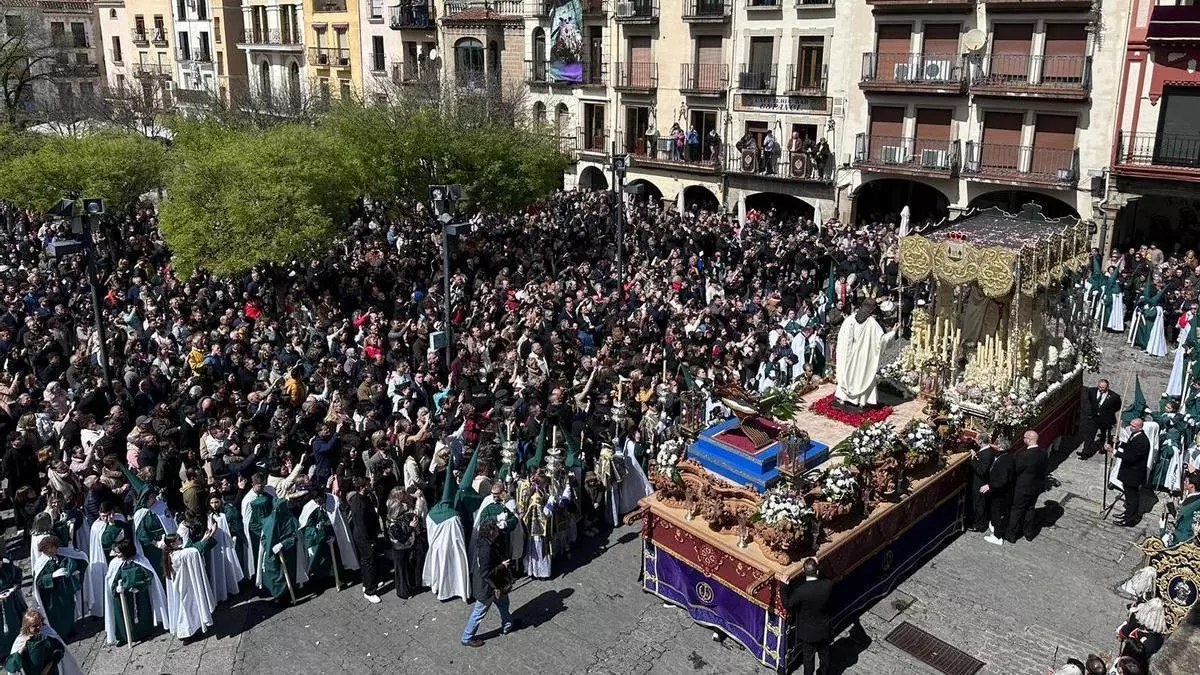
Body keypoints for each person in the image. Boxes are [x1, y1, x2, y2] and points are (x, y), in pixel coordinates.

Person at [460, 521, 515, 648]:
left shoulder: (485, 542)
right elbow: (486, 573)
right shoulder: (486, 549)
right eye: (494, 529)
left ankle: (507, 625)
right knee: (479, 612)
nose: (497, 531)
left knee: (503, 603)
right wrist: (502, 566)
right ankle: (466, 637)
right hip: (487, 587)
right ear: (489, 532)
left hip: (495, 584)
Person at [102, 540, 166, 646]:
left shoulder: (140, 561)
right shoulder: (115, 563)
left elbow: (149, 576)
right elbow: (110, 580)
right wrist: (117, 588)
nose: (116, 555)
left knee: (142, 615)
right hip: (122, 597)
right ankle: (124, 636)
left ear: (126, 551)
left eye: (119, 552)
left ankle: (143, 633)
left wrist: (141, 586)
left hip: (139, 595)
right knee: (122, 617)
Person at [834, 298, 895, 408]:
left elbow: (842, 337)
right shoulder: (872, 324)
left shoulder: (850, 319)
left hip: (848, 356)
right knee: (862, 375)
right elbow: (881, 342)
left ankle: (843, 398)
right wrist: (892, 333)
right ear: (872, 310)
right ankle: (861, 401)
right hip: (863, 357)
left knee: (847, 374)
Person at [424, 470, 470, 602]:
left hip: (436, 548)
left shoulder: (431, 513)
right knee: (451, 572)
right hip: (450, 548)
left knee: (439, 571)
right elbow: (458, 537)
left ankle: (438, 588)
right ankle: (452, 591)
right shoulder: (454, 517)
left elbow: (430, 533)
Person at [162, 532, 216, 640]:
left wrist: (205, 537)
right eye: (179, 539)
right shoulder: (179, 555)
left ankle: (193, 630)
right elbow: (194, 551)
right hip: (185, 586)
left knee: (190, 608)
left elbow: (191, 550)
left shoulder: (171, 554)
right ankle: (186, 634)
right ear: (172, 544)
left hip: (184, 585)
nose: (181, 540)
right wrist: (209, 536)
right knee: (187, 610)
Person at [29, 536, 85, 639]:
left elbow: (78, 562)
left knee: (69, 610)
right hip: (52, 595)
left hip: (66, 591)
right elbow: (39, 581)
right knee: (56, 615)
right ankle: (60, 634)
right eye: (46, 549)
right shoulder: (42, 563)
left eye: (52, 547)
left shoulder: (63, 556)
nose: (50, 550)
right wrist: (52, 576)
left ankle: (70, 630)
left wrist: (71, 569)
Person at [785, 558, 833, 675]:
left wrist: (783, 586)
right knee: (824, 654)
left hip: (808, 633)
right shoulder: (827, 585)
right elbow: (826, 574)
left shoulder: (801, 591)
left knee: (808, 659)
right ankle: (823, 672)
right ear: (817, 571)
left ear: (803, 572)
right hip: (824, 629)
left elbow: (788, 604)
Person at [258, 497, 310, 604]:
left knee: (286, 573)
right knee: (273, 573)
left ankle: (286, 594)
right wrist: (268, 545)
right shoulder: (267, 521)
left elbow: (294, 537)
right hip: (270, 553)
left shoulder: (290, 520)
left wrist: (282, 544)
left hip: (287, 553)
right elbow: (263, 537)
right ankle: (277, 594)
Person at [5, 609, 84, 675]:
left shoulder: (47, 634)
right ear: (27, 626)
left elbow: (59, 650)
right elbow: (11, 666)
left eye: (39, 624)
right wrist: (19, 653)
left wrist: (48, 667)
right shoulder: (21, 641)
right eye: (34, 626)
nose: (38, 627)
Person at [1007, 430, 1049, 543]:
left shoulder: (1024, 455)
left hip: (1023, 488)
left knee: (1017, 510)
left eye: (1024, 437)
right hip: (1036, 487)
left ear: (1028, 440)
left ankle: (1012, 534)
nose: (1023, 439)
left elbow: (1015, 470)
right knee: (1030, 509)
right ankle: (1028, 533)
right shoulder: (1043, 452)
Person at [346, 476, 382, 603]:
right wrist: (369, 542)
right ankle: (370, 591)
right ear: (361, 488)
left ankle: (367, 582)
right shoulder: (359, 504)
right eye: (368, 485)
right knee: (369, 562)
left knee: (366, 561)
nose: (370, 486)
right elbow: (361, 525)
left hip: (367, 535)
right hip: (364, 538)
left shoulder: (362, 498)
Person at [1110, 418, 1151, 527]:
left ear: (1140, 427)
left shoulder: (1142, 441)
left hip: (1134, 474)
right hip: (1128, 472)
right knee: (1129, 496)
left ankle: (1129, 519)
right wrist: (1119, 443)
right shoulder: (1135, 435)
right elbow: (1130, 447)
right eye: (1131, 425)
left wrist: (1114, 451)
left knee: (1132, 498)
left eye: (1133, 426)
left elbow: (1131, 457)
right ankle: (1128, 513)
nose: (1131, 427)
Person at [385, 487, 419, 599]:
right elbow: (402, 538)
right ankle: (403, 592)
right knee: (401, 573)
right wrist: (411, 528)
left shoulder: (397, 520)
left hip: (405, 549)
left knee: (406, 569)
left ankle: (409, 587)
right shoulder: (393, 525)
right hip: (399, 550)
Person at [1078, 379, 1122, 460]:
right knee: (1089, 436)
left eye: (1103, 387)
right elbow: (1091, 401)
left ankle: (1103, 448)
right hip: (1094, 419)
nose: (1101, 389)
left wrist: (1107, 412)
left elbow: (1117, 407)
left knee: (1103, 436)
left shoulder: (1114, 397)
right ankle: (1085, 452)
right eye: (1099, 387)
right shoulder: (1092, 391)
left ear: (1107, 387)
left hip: (1105, 420)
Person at [983, 439, 1014, 546]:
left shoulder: (1003, 461)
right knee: (996, 512)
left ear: (1000, 446)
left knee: (997, 512)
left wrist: (990, 486)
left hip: (1000, 493)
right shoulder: (1007, 456)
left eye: (997, 445)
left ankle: (997, 536)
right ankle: (995, 526)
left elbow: (1001, 480)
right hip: (1002, 492)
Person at [968, 433, 996, 532]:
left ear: (980, 441)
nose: (975, 440)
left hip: (980, 483)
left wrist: (973, 458)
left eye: (976, 439)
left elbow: (982, 470)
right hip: (979, 482)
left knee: (979, 505)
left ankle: (979, 525)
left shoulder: (987, 453)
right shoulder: (987, 451)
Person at [1163, 470, 1200, 546]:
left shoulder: (1195, 502)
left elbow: (1184, 517)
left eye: (1186, 481)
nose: (1184, 482)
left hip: (1184, 537)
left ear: (1191, 486)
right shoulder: (1194, 497)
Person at [0, 556, 27, 656]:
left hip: (10, 604)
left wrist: (15, 585)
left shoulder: (7, 567)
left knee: (14, 625)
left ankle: (16, 649)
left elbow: (18, 573)